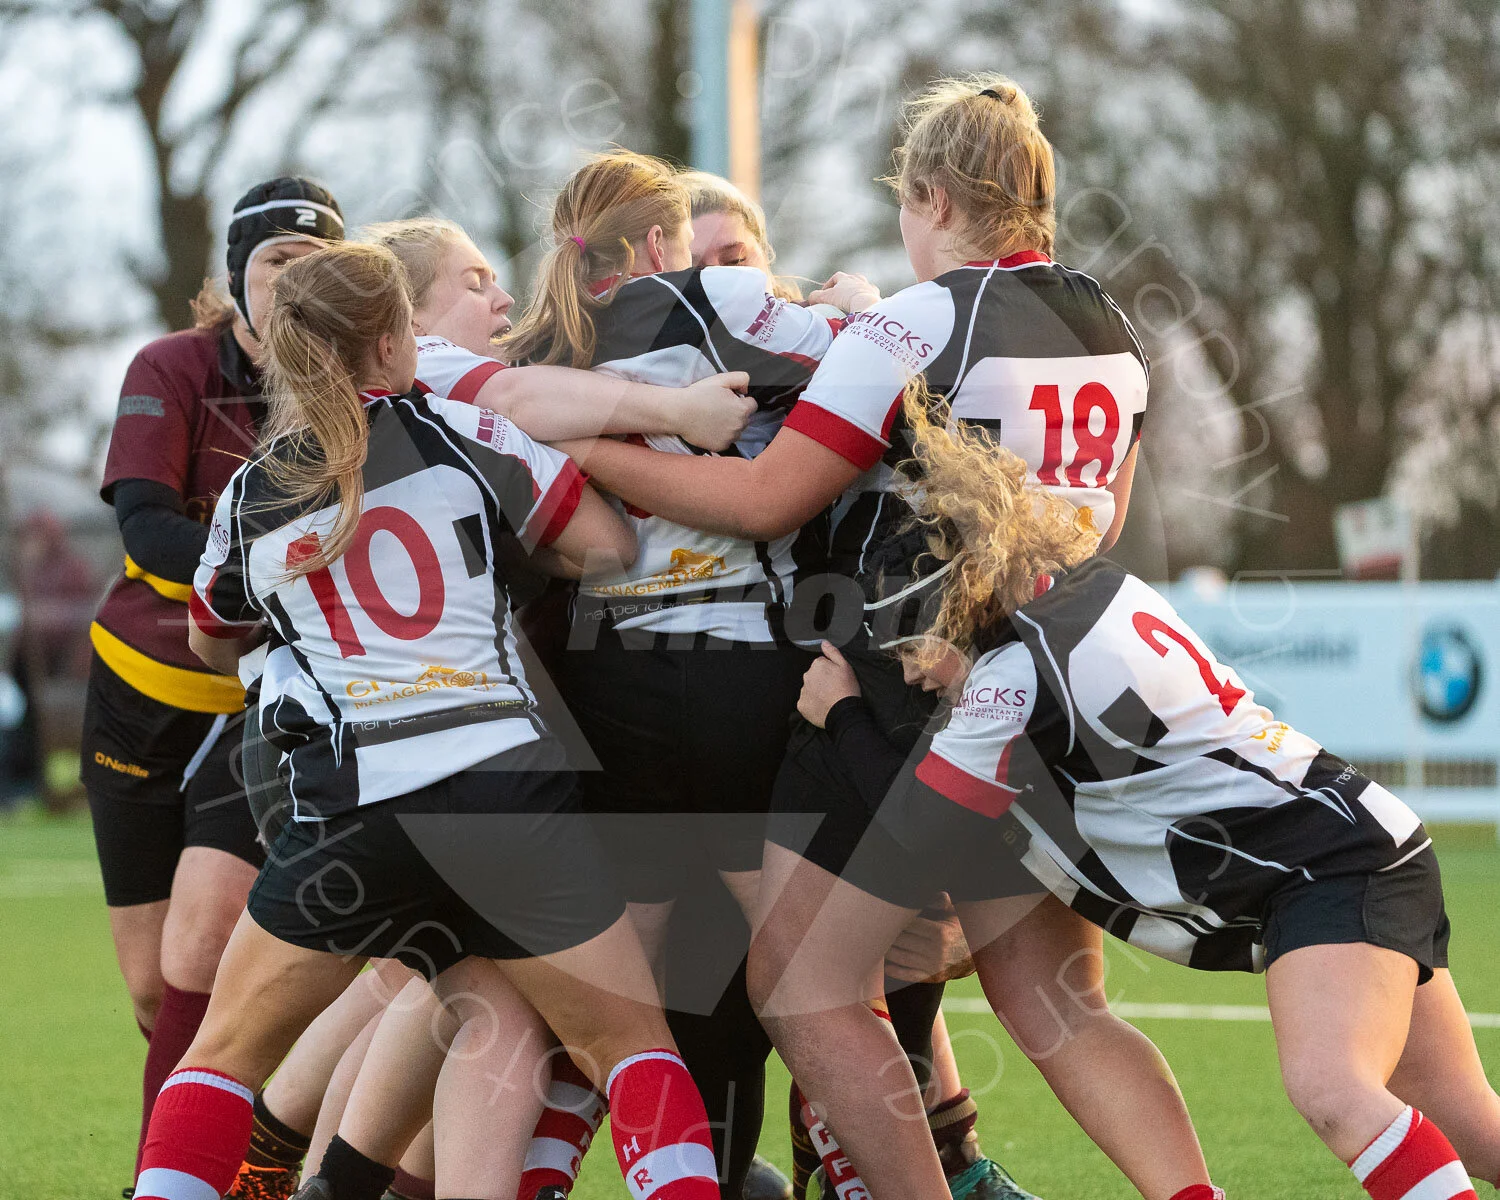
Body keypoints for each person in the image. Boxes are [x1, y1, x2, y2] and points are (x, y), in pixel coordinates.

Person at [786, 393, 1500, 1200]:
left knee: (1334, 1093)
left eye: (911, 638)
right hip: (1363, 834)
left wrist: (842, 714)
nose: (909, 670)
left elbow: (915, 831)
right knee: (1469, 1121)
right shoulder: (1098, 593)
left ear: (959, 602)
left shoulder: (1014, 678)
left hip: (1330, 869)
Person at [132, 241, 723, 1200]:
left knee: (223, 1058)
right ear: (394, 342)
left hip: (352, 808)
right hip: (506, 789)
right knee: (630, 1050)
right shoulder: (467, 436)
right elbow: (608, 546)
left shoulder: (251, 494)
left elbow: (212, 639)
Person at [496, 149, 877, 1199]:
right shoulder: (722, 297)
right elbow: (882, 359)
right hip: (741, 671)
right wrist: (858, 301)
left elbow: (492, 404)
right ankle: (860, 1172)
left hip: (606, 678)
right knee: (812, 976)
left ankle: (555, 1178)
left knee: (616, 996)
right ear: (662, 242)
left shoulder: (541, 344)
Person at [679, 168, 1032, 1200]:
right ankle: (743, 1168)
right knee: (750, 967)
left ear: (769, 269)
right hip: (707, 693)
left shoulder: (845, 354)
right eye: (696, 266)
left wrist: (864, 317)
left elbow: (791, 496)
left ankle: (913, 1165)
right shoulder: (646, 380)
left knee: (878, 947)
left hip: (839, 672)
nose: (718, 284)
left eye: (735, 259)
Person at [82, 176, 345, 1183]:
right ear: (234, 279)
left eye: (316, 265)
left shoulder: (349, 387)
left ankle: (184, 1179)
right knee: (155, 986)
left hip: (262, 705)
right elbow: (144, 522)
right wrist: (263, 566)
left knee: (204, 955)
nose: (293, 283)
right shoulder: (172, 366)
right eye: (276, 261)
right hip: (143, 692)